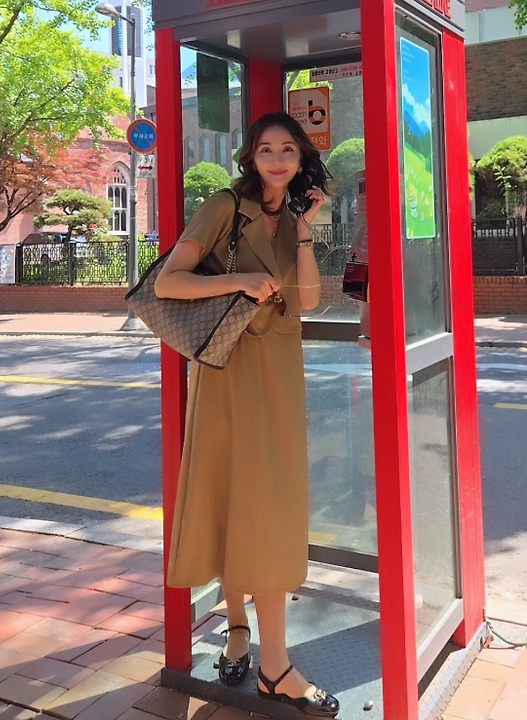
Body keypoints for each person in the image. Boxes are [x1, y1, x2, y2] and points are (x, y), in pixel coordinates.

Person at [154, 112, 339, 717]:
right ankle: (255, 646)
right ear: (250, 157)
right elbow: (168, 284)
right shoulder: (223, 206)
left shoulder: (294, 218)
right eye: (266, 149)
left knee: (268, 505)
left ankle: (262, 652)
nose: (277, 159)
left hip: (279, 374)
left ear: (302, 158)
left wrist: (305, 230)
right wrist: (242, 279)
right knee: (239, 497)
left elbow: (308, 300)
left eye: (288, 149)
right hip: (228, 370)